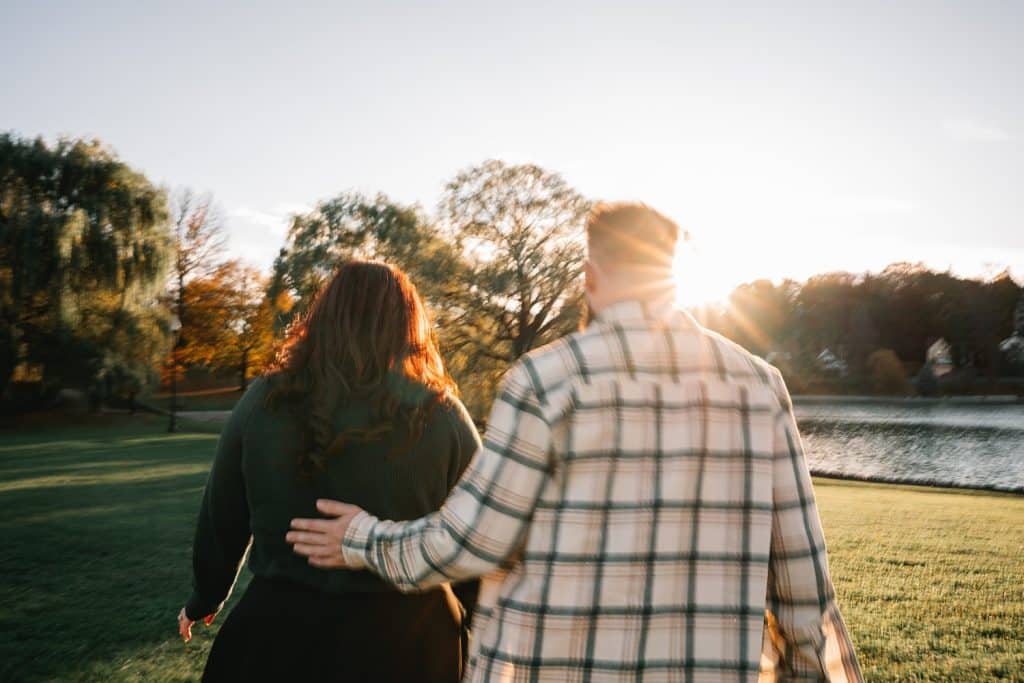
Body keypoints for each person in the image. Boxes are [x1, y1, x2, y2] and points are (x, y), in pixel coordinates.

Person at [288, 203, 863, 682]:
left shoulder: (545, 381)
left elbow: (470, 542)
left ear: (591, 276)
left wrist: (362, 538)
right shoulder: (759, 385)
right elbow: (802, 581)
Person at [178, 261, 481, 682]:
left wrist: (205, 596)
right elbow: (481, 535)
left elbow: (222, 514)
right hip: (410, 643)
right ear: (407, 325)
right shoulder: (441, 412)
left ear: (325, 316)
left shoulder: (264, 400)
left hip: (278, 635)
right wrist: (482, 614)